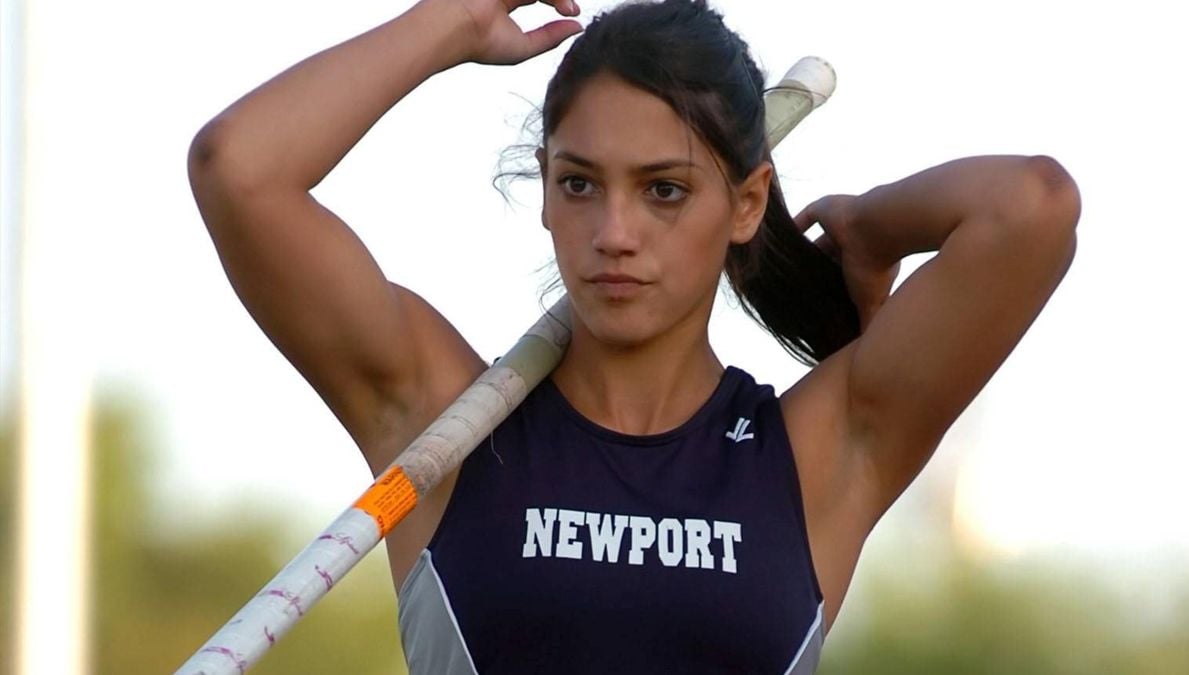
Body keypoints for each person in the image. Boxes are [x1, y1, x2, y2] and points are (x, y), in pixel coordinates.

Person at [187, 0, 1080, 672]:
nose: (615, 232)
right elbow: (240, 168)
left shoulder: (816, 457)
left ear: (747, 204)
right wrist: (449, 21)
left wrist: (872, 228)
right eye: (580, 184)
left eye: (664, 189)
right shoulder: (438, 424)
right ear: (543, 189)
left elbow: (1033, 207)